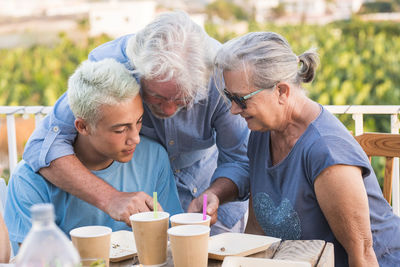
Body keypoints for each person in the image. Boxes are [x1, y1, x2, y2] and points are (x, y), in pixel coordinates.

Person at [22, 11, 249, 235]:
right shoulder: (110, 69)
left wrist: (215, 194)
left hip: (209, 194)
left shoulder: (219, 75)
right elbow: (44, 146)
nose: (169, 110)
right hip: (138, 201)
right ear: (137, 72)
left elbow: (239, 159)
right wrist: (111, 199)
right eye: (157, 98)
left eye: (183, 100)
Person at [197, 31, 400, 266]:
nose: (233, 109)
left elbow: (363, 256)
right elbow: (256, 232)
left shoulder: (328, 153)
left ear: (282, 91)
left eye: (241, 100)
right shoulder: (262, 134)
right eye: (228, 97)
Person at [4, 59, 183, 245]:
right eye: (120, 130)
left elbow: (172, 239)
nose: (135, 138)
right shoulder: (28, 181)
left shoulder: (154, 157)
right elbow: (33, 260)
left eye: (138, 121)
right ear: (82, 126)